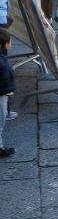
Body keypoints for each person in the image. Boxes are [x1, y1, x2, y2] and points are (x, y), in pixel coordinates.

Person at [0, 28, 14, 157]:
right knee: (0, 120)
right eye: (9, 42)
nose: (11, 45)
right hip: (1, 94)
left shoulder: (2, 56)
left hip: (4, 93)